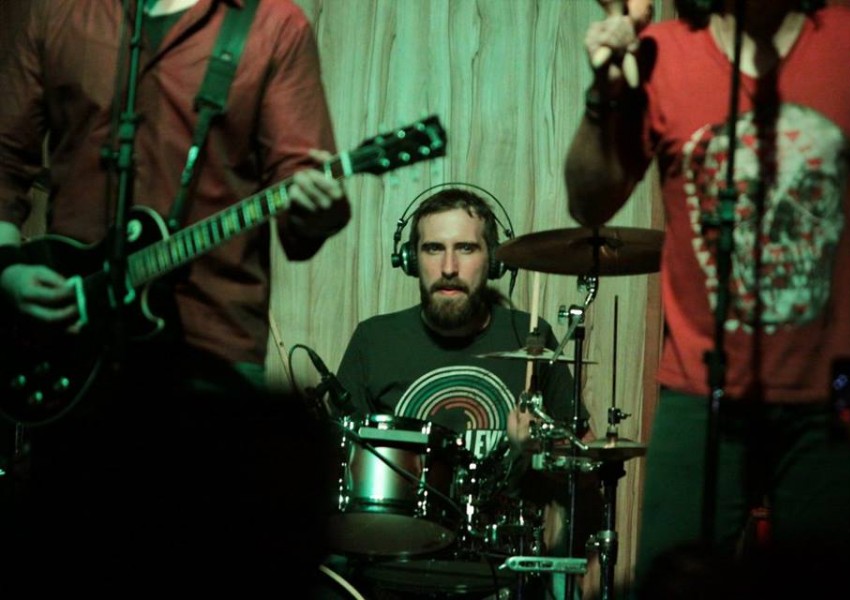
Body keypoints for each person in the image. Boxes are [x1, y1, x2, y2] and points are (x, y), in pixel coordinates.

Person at [0, 0, 348, 586]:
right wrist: (6, 269)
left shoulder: (273, 25)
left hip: (212, 362)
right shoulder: (59, 15)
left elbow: (300, 203)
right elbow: (5, 160)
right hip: (70, 351)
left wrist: (319, 205)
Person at [564, 0, 850, 595]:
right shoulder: (664, 52)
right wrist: (603, 93)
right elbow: (589, 202)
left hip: (839, 384)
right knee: (671, 581)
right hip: (702, 386)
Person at [333, 187, 587, 598]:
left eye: (466, 249)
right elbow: (334, 464)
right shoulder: (374, 340)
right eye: (433, 248)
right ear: (410, 260)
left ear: (494, 261)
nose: (449, 267)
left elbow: (585, 463)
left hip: (501, 575)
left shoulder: (531, 338)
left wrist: (539, 447)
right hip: (392, 572)